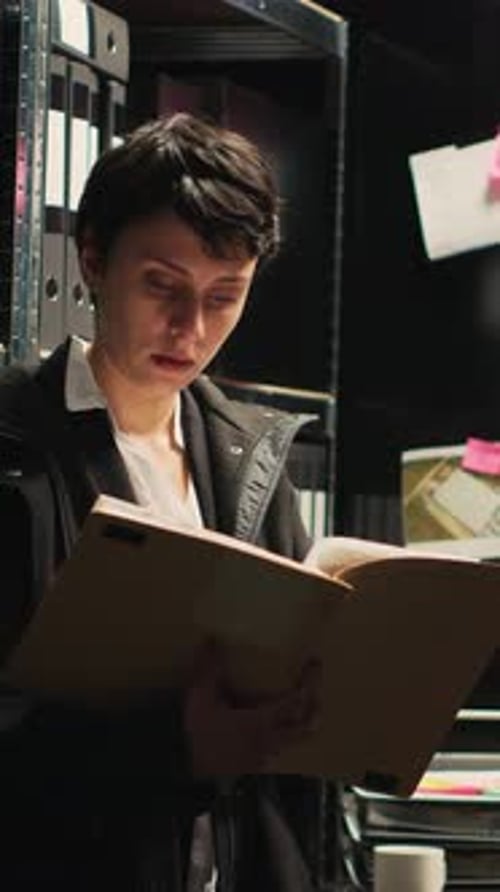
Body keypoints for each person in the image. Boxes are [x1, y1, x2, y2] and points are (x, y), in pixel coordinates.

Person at [0, 112, 322, 891]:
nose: (191, 328)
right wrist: (176, 748)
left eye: (225, 295)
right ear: (92, 259)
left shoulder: (252, 458)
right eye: (161, 285)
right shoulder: (15, 452)